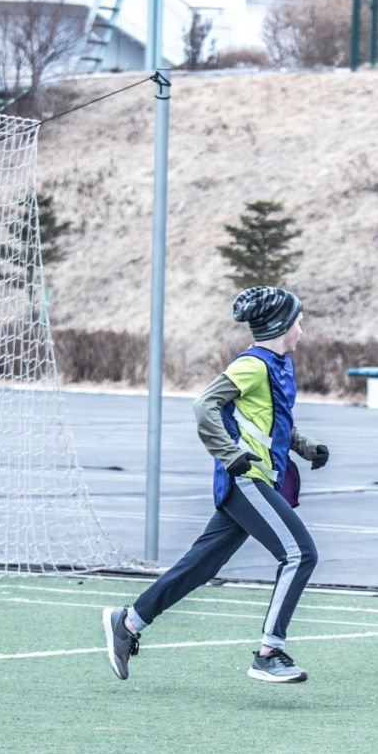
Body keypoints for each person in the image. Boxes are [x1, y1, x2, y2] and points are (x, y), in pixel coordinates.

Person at [104, 286, 328, 685]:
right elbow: (204, 405)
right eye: (299, 323)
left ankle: (129, 622)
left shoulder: (279, 365)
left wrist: (306, 447)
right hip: (246, 479)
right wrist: (229, 454)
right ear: (281, 326)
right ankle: (269, 653)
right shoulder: (252, 365)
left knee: (201, 565)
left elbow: (274, 420)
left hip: (260, 479)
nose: (302, 330)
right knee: (300, 554)